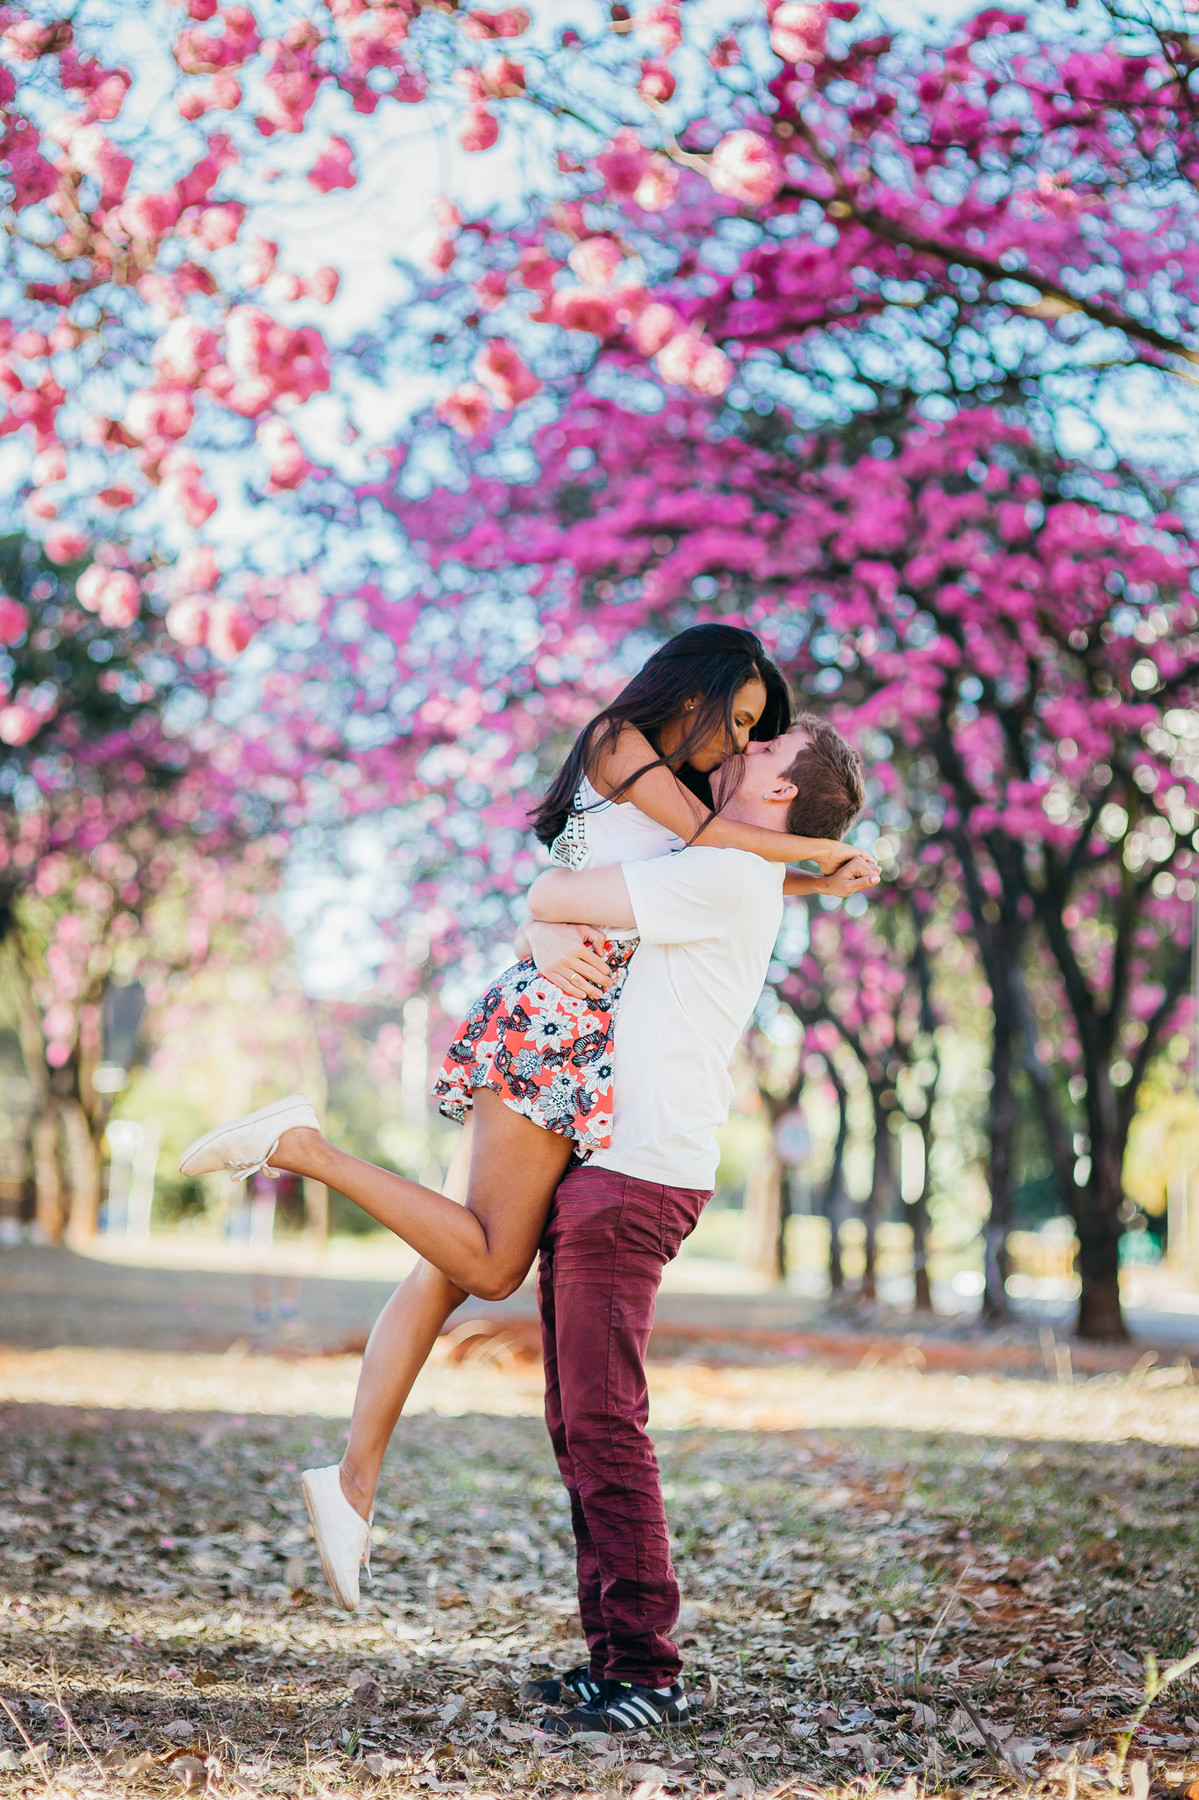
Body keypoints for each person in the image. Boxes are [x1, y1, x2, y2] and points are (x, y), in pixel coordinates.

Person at [179, 631, 878, 1609]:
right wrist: (813, 850)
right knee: (490, 1263)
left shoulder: (683, 802)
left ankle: (350, 1485)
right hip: (557, 1023)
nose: (738, 744)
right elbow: (699, 856)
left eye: (758, 740)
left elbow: (693, 872)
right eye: (744, 724)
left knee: (446, 1268)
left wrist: (801, 873)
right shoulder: (620, 747)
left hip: (570, 1025)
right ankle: (302, 1148)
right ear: (703, 689)